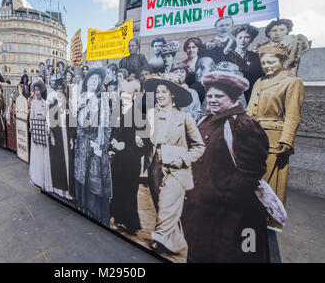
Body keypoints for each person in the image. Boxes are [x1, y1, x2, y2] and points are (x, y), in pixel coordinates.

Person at [182, 70, 270, 263]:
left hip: (227, 212)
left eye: (219, 96)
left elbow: (251, 172)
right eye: (210, 95)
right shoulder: (205, 121)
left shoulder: (244, 125)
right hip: (200, 205)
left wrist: (223, 197)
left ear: (233, 97)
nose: (212, 100)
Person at [143, 73, 205, 257]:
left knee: (166, 206)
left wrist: (183, 159)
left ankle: (158, 240)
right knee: (163, 207)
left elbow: (199, 146)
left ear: (173, 95)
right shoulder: (150, 115)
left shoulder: (184, 117)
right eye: (158, 92)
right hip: (154, 166)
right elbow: (143, 137)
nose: (160, 95)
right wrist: (140, 140)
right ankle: (176, 245)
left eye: (164, 92)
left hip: (176, 170)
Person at [246, 45, 305, 231]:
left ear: (281, 61)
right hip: (254, 137)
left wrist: (287, 139)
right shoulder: (259, 82)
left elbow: (293, 114)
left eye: (271, 62)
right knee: (252, 179)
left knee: (270, 182)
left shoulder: (292, 82)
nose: (267, 66)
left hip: (274, 139)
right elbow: (250, 111)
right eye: (263, 63)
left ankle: (269, 220)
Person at [74, 67, 112, 226]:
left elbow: (108, 125)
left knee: (94, 181)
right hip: (82, 145)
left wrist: (101, 145)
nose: (93, 82)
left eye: (96, 80)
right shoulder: (80, 98)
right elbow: (75, 122)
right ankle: (82, 210)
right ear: (86, 82)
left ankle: (95, 215)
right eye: (91, 79)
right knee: (81, 179)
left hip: (96, 145)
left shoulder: (102, 101)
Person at [109, 81, 145, 235]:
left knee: (129, 192)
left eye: (128, 94)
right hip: (116, 160)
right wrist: (112, 142)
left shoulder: (140, 116)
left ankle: (130, 223)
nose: (124, 96)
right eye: (122, 93)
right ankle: (117, 219)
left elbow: (144, 143)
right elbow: (111, 132)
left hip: (131, 161)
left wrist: (126, 146)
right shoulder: (116, 112)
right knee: (116, 190)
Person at [225, 24, 265, 103]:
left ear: (251, 40)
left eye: (246, 37)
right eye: (240, 37)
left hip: (252, 95)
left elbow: (260, 77)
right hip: (233, 96)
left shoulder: (256, 57)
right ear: (235, 39)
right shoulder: (226, 58)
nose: (243, 40)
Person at [48, 79, 74, 200]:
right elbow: (50, 123)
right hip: (57, 137)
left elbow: (71, 122)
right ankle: (59, 189)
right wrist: (52, 136)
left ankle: (68, 190)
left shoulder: (67, 104)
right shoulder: (52, 105)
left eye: (61, 89)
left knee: (68, 162)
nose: (59, 91)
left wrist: (71, 138)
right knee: (58, 163)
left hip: (66, 135)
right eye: (57, 89)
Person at [29, 80, 53, 192]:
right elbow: (31, 116)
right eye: (36, 90)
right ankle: (36, 177)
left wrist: (47, 128)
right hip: (36, 130)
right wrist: (31, 126)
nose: (37, 92)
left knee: (43, 154)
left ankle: (44, 180)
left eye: (39, 90)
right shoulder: (33, 103)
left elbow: (47, 117)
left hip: (43, 130)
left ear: (41, 91)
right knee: (36, 153)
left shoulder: (45, 103)